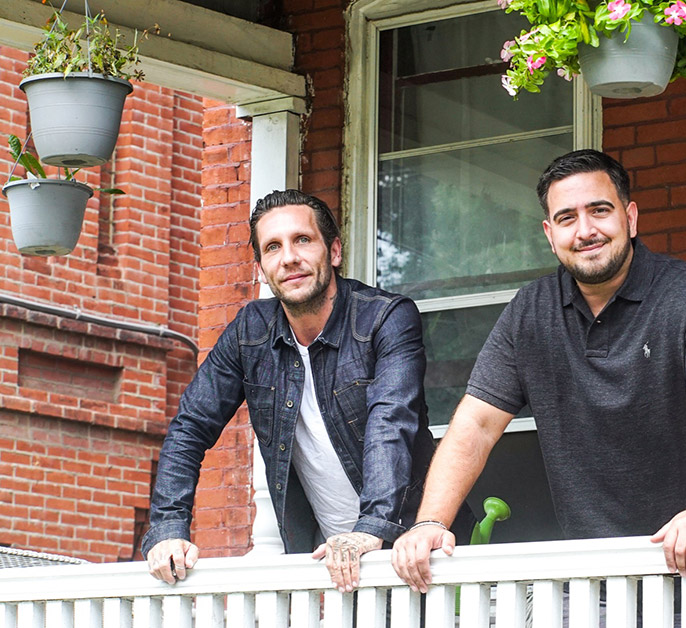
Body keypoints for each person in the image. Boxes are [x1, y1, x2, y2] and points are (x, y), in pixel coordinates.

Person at [392, 149, 686, 594]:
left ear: (630, 218)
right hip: (598, 578)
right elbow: (475, 425)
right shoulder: (529, 313)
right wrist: (431, 522)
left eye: (600, 211)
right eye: (567, 217)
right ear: (550, 234)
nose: (586, 230)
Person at [143, 189, 471, 592]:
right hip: (336, 563)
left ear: (333, 251)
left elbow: (392, 420)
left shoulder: (384, 317)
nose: (289, 258)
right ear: (261, 269)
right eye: (273, 247)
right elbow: (190, 427)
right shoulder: (250, 333)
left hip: (424, 550)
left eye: (302, 240)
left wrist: (369, 528)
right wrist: (167, 528)